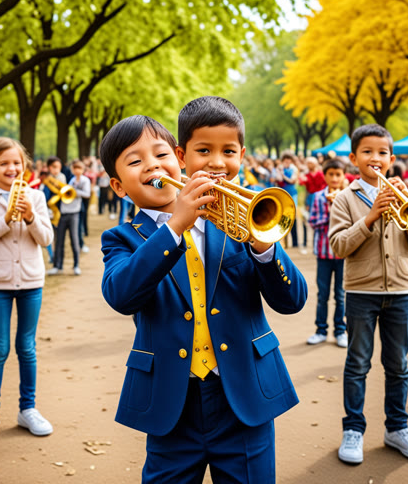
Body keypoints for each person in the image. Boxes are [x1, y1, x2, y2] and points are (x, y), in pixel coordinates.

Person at [100, 105, 307, 484]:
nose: (153, 166)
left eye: (161, 155)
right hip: (171, 408)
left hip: (244, 398)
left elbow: (292, 301)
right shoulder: (122, 239)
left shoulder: (238, 221)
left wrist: (264, 249)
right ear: (118, 186)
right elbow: (121, 294)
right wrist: (175, 227)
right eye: (135, 161)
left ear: (176, 160)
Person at [329, 124, 408, 464]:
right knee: (357, 363)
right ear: (353, 157)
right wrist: (371, 216)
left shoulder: (405, 194)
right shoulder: (344, 198)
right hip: (360, 292)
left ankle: (397, 428)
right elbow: (338, 245)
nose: (376, 158)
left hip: (401, 291)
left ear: (392, 157)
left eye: (383, 152)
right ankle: (353, 429)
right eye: (368, 152)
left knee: (398, 365)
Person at [0, 136, 54, 441]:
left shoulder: (37, 196)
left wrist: (30, 215)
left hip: (31, 282)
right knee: (0, 347)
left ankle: (27, 409)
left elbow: (46, 239)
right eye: (4, 163)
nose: (12, 168)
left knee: (26, 347)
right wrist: (5, 220)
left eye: (16, 162)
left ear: (25, 166)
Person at [307, 158, 347, 348]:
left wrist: (338, 207)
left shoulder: (347, 196)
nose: (334, 178)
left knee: (341, 294)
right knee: (323, 294)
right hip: (323, 253)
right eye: (330, 174)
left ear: (343, 176)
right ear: (325, 176)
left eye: (338, 174)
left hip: (342, 255)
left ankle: (340, 330)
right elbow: (313, 222)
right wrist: (330, 212)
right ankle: (320, 330)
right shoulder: (318, 197)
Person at [48, 159, 90, 276]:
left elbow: (87, 194)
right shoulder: (71, 180)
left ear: (82, 169)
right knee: (59, 241)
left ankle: (76, 265)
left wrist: (75, 191)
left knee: (74, 240)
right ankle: (57, 266)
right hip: (63, 212)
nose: (76, 170)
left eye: (79, 168)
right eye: (74, 168)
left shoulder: (84, 180)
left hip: (74, 213)